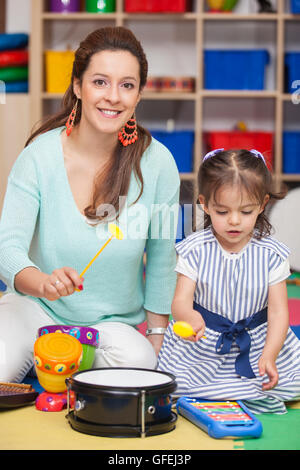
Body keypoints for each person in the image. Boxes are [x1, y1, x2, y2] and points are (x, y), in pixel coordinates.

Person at [0, 26, 180, 383]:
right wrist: (43, 283)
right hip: (35, 309)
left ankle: (64, 365)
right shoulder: (38, 157)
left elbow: (162, 257)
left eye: (127, 85)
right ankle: (53, 361)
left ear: (139, 94)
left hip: (110, 328)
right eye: (100, 82)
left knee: (141, 365)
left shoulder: (158, 164)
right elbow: (8, 248)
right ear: (78, 87)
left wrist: (158, 337)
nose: (113, 97)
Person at [158, 148, 300, 414]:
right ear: (205, 204)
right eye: (222, 211)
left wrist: (269, 354)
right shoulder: (195, 249)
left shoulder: (271, 253)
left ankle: (247, 385)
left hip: (258, 340)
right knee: (177, 386)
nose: (234, 221)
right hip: (205, 345)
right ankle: (226, 391)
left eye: (246, 211)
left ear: (262, 204)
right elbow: (179, 301)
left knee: (287, 383)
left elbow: (279, 312)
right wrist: (188, 316)